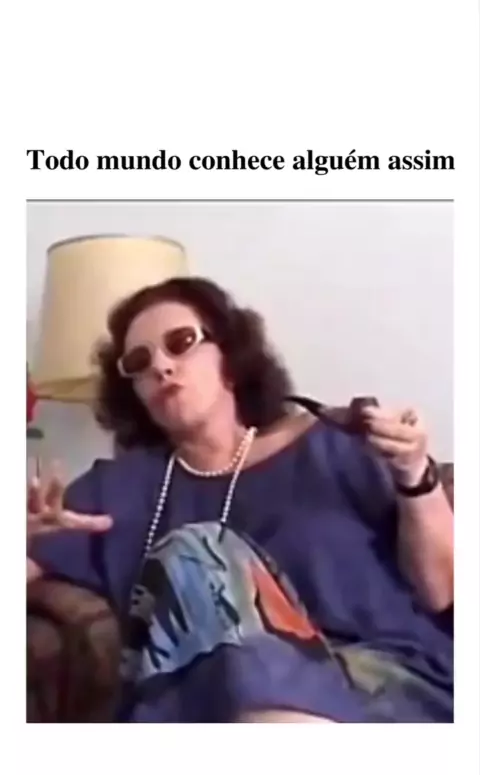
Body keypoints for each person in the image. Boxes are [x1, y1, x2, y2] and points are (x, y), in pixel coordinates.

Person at [27, 277, 454, 723]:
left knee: (200, 550)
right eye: (139, 361)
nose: (161, 367)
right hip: (204, 706)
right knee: (198, 555)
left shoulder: (333, 445)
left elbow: (441, 589)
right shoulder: (117, 487)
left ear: (229, 358)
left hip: (380, 689)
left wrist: (414, 474)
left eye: (181, 342)